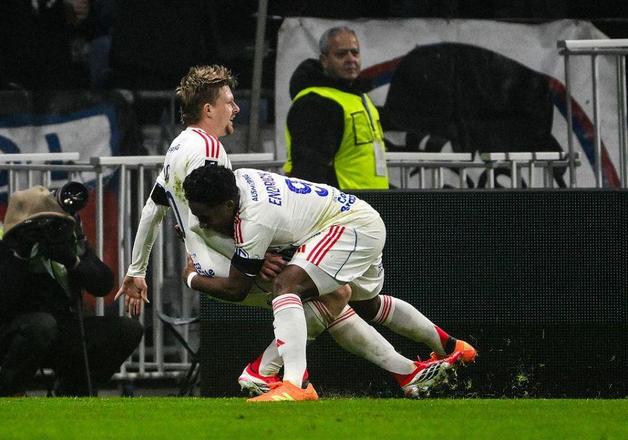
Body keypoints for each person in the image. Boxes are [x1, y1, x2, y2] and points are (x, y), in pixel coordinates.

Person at [113, 65, 452, 399]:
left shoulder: (178, 146)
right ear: (208, 109)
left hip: (211, 262)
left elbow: (153, 209)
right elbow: (209, 216)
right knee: (332, 295)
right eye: (229, 102)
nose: (236, 108)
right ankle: (277, 376)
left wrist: (136, 270)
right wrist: (248, 257)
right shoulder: (210, 151)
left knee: (332, 296)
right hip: (224, 263)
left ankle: (406, 371)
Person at [182, 165, 477, 401]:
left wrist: (191, 278)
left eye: (206, 216)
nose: (203, 223)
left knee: (287, 285)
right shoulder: (239, 180)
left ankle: (293, 384)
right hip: (359, 219)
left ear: (229, 204)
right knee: (366, 304)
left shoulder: (255, 220)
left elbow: (236, 289)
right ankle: (450, 347)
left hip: (348, 227)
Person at [0, 185, 143, 396]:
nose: (46, 229)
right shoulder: (1, 242)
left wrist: (73, 260)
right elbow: (1, 300)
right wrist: (23, 253)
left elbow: (103, 284)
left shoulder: (67, 239)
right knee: (42, 324)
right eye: (39, 224)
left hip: (59, 329)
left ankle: (72, 389)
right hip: (6, 331)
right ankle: (9, 392)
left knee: (127, 329)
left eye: (53, 222)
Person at [283, 26, 389, 189]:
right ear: (324, 60)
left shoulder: (359, 97)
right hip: (342, 202)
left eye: (355, 53)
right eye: (341, 54)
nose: (351, 59)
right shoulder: (315, 103)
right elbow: (309, 172)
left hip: (367, 201)